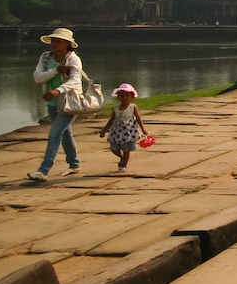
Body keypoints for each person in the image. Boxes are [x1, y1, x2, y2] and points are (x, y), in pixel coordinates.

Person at [28, 27, 84, 181]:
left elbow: (74, 80)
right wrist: (55, 71)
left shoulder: (73, 59)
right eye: (53, 40)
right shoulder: (46, 57)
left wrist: (58, 91)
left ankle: (43, 170)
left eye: (58, 41)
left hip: (69, 102)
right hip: (52, 102)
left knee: (55, 133)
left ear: (67, 44)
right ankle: (74, 164)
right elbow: (37, 77)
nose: (54, 44)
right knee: (65, 133)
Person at [97, 83, 148, 173]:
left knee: (126, 149)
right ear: (118, 97)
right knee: (114, 148)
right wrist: (104, 129)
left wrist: (143, 129)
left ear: (132, 97)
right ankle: (122, 158)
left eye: (127, 96)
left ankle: (123, 165)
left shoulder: (132, 107)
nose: (124, 98)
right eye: (122, 96)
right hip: (116, 132)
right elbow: (112, 119)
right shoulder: (116, 108)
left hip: (128, 132)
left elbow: (138, 118)